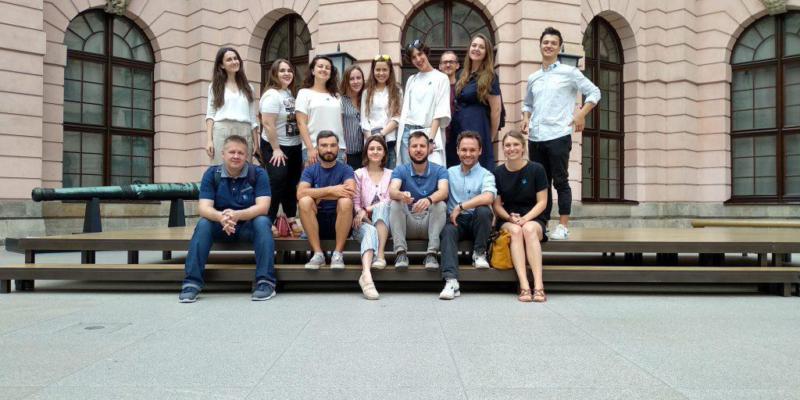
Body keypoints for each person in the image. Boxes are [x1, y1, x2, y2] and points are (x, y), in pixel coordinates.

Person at [522, 27, 600, 240]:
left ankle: (563, 226)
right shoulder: (533, 77)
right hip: (535, 138)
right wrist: (526, 118)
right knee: (541, 184)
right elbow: (528, 104)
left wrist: (581, 114)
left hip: (558, 135)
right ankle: (542, 224)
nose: (548, 46)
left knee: (560, 181)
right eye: (545, 42)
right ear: (540, 45)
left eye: (553, 43)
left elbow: (594, 92)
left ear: (559, 48)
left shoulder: (569, 72)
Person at [179, 135, 275, 303]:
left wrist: (237, 215)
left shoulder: (258, 173)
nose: (236, 156)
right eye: (232, 152)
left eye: (241, 153)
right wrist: (221, 217)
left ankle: (265, 282)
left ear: (247, 156)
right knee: (203, 224)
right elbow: (203, 208)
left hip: (248, 227)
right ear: (223, 154)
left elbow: (263, 207)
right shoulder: (211, 174)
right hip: (221, 226)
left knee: (262, 221)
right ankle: (191, 283)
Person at [388, 131, 449, 292]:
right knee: (395, 203)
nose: (418, 149)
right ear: (408, 149)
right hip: (408, 223)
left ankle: (432, 254)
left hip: (431, 223)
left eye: (422, 146)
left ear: (429, 148)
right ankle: (401, 253)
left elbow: (444, 191)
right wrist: (402, 195)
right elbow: (392, 191)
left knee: (439, 204)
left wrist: (429, 199)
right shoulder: (400, 170)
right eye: (414, 146)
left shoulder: (440, 170)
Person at [493, 131, 549, 302]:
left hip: (533, 218)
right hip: (508, 219)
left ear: (523, 148)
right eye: (507, 145)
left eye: (516, 144)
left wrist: (525, 219)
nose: (512, 148)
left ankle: (538, 286)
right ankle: (524, 286)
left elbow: (542, 202)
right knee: (516, 231)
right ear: (503, 149)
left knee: (528, 229)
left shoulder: (537, 169)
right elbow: (496, 205)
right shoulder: (497, 173)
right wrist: (510, 218)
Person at [439, 131, 497, 299]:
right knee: (447, 231)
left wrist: (461, 206)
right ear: (457, 150)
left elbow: (489, 197)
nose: (468, 154)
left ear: (480, 151)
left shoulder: (486, 174)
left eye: (472, 150)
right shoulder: (449, 173)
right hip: (456, 222)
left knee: (484, 210)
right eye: (464, 150)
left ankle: (479, 253)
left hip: (478, 223)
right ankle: (451, 281)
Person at [297, 131, 356, 270]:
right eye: (324, 145)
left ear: (338, 148)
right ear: (317, 148)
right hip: (316, 223)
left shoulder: (346, 169)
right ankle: (318, 254)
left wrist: (317, 195)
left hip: (341, 223)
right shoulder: (310, 170)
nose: (329, 149)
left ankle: (338, 254)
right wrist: (332, 190)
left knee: (345, 201)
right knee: (305, 201)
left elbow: (350, 192)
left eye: (332, 145)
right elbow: (300, 193)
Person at [259, 58, 302, 235]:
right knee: (277, 180)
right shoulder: (272, 95)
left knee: (291, 183)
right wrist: (276, 149)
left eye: (289, 70)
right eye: (282, 70)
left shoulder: (289, 94)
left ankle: (290, 217)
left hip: (294, 145)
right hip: (275, 145)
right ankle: (268, 219)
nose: (287, 73)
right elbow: (267, 123)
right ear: (275, 74)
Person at [352, 135, 393, 299]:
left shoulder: (391, 174)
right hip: (361, 223)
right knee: (370, 230)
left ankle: (380, 255)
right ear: (366, 152)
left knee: (382, 207)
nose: (375, 152)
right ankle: (366, 275)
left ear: (384, 153)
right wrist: (363, 215)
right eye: (371, 149)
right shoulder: (358, 174)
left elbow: (389, 200)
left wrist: (367, 209)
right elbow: (355, 203)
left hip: (384, 223)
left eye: (379, 149)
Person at [397, 39, 451, 166]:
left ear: (426, 53)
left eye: (420, 54)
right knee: (408, 175)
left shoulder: (441, 78)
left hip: (428, 133)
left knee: (432, 174)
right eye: (413, 57)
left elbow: (440, 112)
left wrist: (430, 140)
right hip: (407, 134)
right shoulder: (412, 80)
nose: (418, 59)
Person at [452, 34, 502, 169]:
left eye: (481, 47)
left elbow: (496, 111)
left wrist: (490, 137)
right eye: (474, 45)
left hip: (478, 127)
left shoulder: (491, 76)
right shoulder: (462, 74)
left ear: (487, 53)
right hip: (459, 127)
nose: (476, 49)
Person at [205, 47, 258, 164]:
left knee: (245, 168)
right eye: (229, 59)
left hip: (245, 131)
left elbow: (252, 117)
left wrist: (256, 142)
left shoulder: (248, 88)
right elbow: (210, 115)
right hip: (222, 130)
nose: (234, 61)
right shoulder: (214, 86)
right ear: (221, 65)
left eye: (235, 58)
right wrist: (209, 140)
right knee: (220, 167)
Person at [296, 55, 345, 165]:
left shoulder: (337, 96)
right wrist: (310, 148)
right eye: (320, 66)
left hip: (337, 149)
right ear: (313, 71)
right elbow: (301, 123)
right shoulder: (304, 93)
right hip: (314, 149)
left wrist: (343, 147)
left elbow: (340, 123)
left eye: (327, 68)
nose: (324, 69)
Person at [361, 55, 403, 169]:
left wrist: (381, 134)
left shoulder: (397, 91)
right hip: (371, 142)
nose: (381, 73)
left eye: (384, 70)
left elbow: (397, 117)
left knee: (390, 175)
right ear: (373, 71)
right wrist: (371, 140)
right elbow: (364, 120)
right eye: (378, 69)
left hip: (389, 140)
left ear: (390, 71)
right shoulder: (366, 92)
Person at [340, 65, 365, 170]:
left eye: (358, 78)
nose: (356, 81)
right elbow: (339, 127)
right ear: (346, 81)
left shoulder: (365, 99)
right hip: (348, 154)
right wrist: (342, 150)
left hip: (365, 153)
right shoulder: (341, 100)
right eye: (351, 79)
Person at [438, 51, 460, 167]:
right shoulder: (436, 88)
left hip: (458, 136)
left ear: (457, 65)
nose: (448, 65)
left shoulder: (463, 88)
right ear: (440, 66)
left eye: (451, 62)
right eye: (445, 62)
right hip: (439, 135)